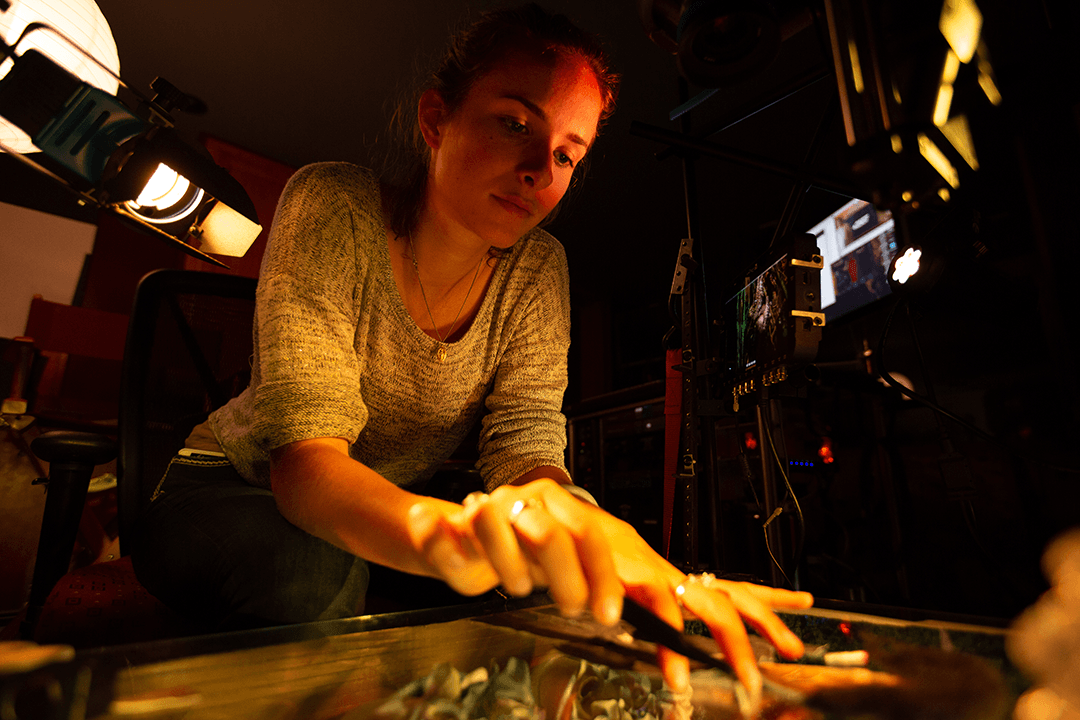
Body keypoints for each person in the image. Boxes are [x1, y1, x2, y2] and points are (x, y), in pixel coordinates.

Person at [130, 3, 813, 705]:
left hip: (385, 506)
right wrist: (447, 534)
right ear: (436, 118)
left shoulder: (538, 268)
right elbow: (305, 467)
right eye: (515, 123)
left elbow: (526, 449)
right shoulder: (333, 203)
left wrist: (593, 532)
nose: (539, 170)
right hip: (230, 486)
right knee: (310, 572)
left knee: (540, 560)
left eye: (567, 154)